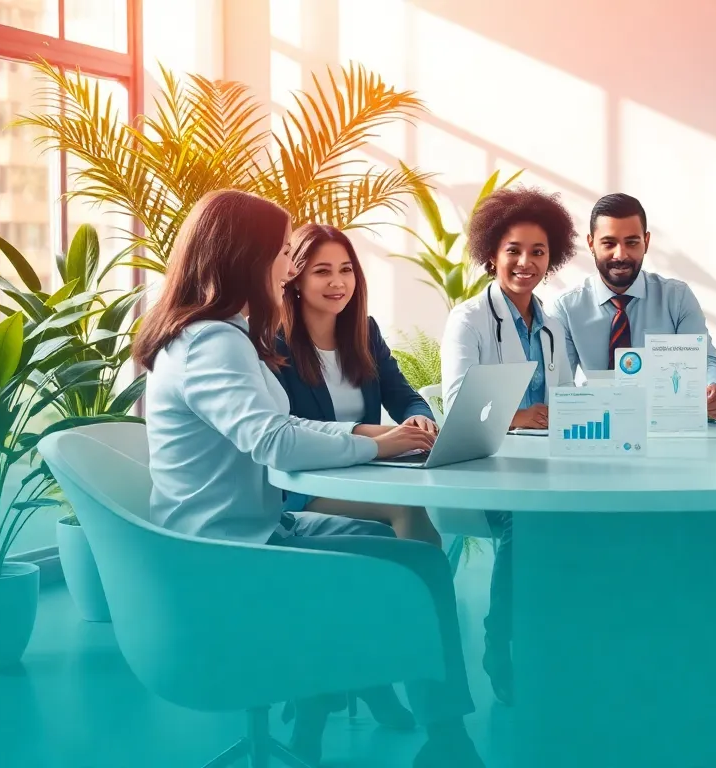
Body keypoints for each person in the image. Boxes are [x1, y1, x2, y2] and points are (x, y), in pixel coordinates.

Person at [136, 189, 484, 768]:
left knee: (412, 556)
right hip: (230, 550)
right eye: (280, 251)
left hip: (255, 526)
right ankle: (444, 735)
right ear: (245, 257)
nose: (287, 265)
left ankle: (423, 717)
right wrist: (371, 439)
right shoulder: (214, 342)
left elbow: (282, 423)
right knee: (417, 562)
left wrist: (377, 437)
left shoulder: (214, 334)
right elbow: (271, 440)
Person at [439, 185, 577, 705]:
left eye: (538, 252)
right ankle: (501, 642)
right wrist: (520, 417)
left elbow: (566, 397)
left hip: (547, 463)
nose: (526, 263)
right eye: (514, 251)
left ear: (552, 257)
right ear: (491, 254)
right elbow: (457, 405)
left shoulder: (553, 325)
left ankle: (560, 638)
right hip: (489, 467)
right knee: (528, 521)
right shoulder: (469, 319)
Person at [275, 223, 442, 548]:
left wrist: (418, 418)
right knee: (410, 510)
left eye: (346, 270)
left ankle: (416, 597)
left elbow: (405, 396)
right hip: (304, 484)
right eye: (322, 271)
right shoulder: (276, 343)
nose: (338, 282)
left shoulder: (365, 332)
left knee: (425, 502)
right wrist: (380, 437)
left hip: (366, 471)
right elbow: (292, 430)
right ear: (296, 278)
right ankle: (425, 600)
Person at [548, 193, 716, 419]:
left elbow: (704, 360)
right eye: (609, 243)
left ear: (646, 242)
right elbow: (559, 384)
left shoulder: (677, 297)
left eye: (632, 242)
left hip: (665, 425)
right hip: (597, 424)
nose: (620, 255)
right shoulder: (566, 308)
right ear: (591, 244)